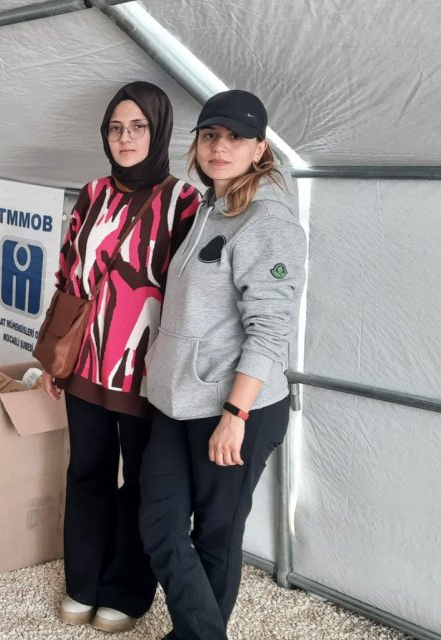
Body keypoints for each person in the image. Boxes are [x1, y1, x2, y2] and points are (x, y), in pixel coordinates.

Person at [139, 89, 306, 640]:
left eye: (236, 137)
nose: (220, 147)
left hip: (236, 408)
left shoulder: (268, 222)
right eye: (210, 134)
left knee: (215, 534)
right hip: (175, 400)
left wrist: (235, 412)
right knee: (160, 524)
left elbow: (271, 329)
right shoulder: (208, 209)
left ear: (260, 149)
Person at [41, 81, 201, 633]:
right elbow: (68, 275)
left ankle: (127, 591)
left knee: (138, 481)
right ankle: (82, 580)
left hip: (143, 371)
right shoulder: (91, 193)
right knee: (86, 471)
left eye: (138, 127)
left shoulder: (184, 202)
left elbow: (190, 292)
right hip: (84, 363)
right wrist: (54, 359)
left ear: (158, 132)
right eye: (116, 127)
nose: (125, 138)